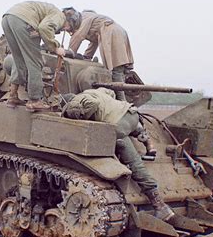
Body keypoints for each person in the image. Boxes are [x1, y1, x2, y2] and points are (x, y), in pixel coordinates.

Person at [61, 88, 173, 221]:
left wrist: (83, 117)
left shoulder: (76, 101)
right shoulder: (93, 91)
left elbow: (93, 104)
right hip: (132, 115)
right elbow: (111, 93)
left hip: (118, 127)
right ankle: (147, 140)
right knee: (126, 127)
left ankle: (160, 206)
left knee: (134, 163)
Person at [1, 1, 82, 112]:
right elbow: (44, 28)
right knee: (35, 63)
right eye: (68, 28)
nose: (65, 30)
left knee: (19, 60)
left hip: (8, 18)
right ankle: (35, 100)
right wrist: (55, 48)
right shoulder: (60, 16)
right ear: (70, 21)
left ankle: (13, 96)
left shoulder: (50, 11)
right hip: (24, 21)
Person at [68, 10, 134, 101]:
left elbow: (78, 36)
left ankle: (122, 102)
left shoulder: (83, 18)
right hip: (119, 32)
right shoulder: (95, 21)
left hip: (112, 32)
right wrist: (87, 56)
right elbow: (94, 42)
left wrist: (70, 52)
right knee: (120, 70)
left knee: (117, 71)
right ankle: (122, 100)